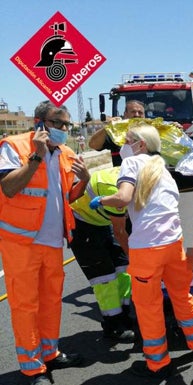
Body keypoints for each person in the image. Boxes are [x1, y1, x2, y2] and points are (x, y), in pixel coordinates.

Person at [89, 123, 193, 379]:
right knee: (181, 294)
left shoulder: (132, 165)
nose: (124, 145)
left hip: (148, 247)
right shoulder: (162, 169)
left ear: (141, 144)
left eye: (128, 139)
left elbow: (122, 198)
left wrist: (102, 200)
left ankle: (157, 363)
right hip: (174, 244)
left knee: (148, 305)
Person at [0, 101, 90, 385]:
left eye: (67, 125)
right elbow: (9, 187)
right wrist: (36, 157)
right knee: (25, 306)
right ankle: (33, 366)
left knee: (51, 302)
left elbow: (67, 198)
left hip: (53, 241)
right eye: (57, 123)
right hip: (20, 241)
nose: (63, 129)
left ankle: (50, 353)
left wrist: (84, 181)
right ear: (39, 123)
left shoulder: (66, 153)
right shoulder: (13, 146)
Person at [69, 166, 135, 342]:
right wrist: (137, 259)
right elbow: (121, 231)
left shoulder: (133, 173)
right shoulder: (113, 189)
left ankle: (125, 315)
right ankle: (112, 324)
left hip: (102, 220)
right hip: (82, 224)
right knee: (104, 276)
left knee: (122, 266)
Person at [89, 100, 145, 166]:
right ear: (125, 114)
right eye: (133, 112)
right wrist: (107, 127)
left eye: (140, 112)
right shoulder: (116, 133)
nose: (137, 115)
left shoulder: (153, 132)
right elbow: (93, 145)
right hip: (123, 175)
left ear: (144, 115)